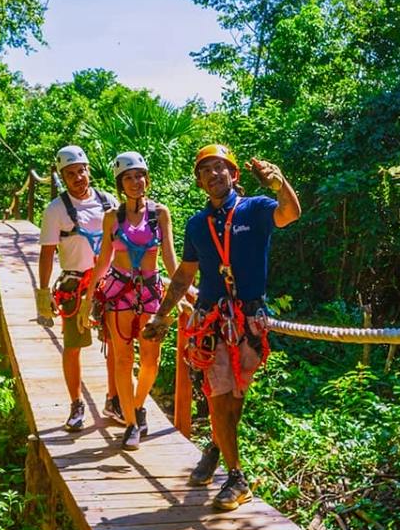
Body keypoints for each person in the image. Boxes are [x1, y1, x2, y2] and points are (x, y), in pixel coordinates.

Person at [144, 145, 300, 510]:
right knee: (218, 396)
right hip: (212, 318)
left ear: (234, 174)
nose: (214, 174)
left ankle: (216, 445)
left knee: (235, 397)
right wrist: (162, 315)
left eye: (220, 168)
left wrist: (279, 183)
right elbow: (185, 274)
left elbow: (290, 213)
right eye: (206, 171)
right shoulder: (197, 224)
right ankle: (236, 477)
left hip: (248, 319)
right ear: (200, 182)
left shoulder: (257, 208)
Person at [86, 152, 178, 451]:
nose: (135, 182)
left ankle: (137, 406)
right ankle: (130, 423)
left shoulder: (159, 214)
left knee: (151, 361)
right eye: (128, 177)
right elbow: (103, 262)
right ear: (120, 183)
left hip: (151, 294)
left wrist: (186, 293)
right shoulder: (112, 217)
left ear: (147, 179)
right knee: (124, 359)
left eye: (139, 175)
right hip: (119, 293)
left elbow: (170, 259)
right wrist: (88, 300)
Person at [37, 145, 118, 431]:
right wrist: (43, 293)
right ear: (63, 176)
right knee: (73, 346)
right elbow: (47, 253)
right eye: (70, 174)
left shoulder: (108, 202)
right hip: (75, 283)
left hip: (109, 282)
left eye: (80, 171)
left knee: (115, 342)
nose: (77, 178)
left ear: (89, 170)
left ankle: (114, 398)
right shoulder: (55, 210)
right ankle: (76, 404)